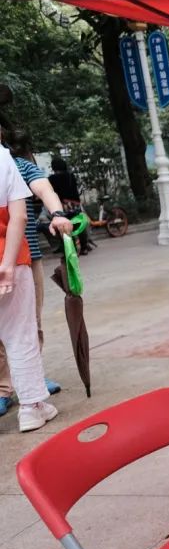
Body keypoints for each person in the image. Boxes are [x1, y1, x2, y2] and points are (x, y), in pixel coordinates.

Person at [0, 130, 73, 410]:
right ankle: (4, 387)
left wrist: (57, 214)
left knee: (30, 323)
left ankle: (32, 378)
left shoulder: (17, 165)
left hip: (27, 257)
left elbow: (45, 190)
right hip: (13, 258)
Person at [0, 147, 57, 432]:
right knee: (21, 335)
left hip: (18, 259)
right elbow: (19, 216)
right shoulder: (5, 160)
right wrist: (8, 264)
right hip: (12, 258)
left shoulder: (17, 163)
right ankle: (31, 407)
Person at [47, 158, 90, 255]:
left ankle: (71, 249)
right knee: (78, 225)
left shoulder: (52, 179)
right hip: (74, 204)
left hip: (62, 206)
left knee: (64, 227)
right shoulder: (71, 176)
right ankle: (84, 247)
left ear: (54, 167)